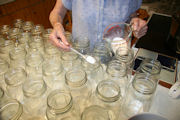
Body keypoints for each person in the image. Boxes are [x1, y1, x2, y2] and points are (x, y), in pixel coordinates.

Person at [49, 0, 148, 51]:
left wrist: (135, 23)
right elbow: (57, 12)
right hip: (81, 53)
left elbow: (131, 15)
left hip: (114, 56)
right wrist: (57, 24)